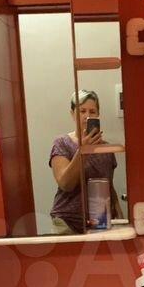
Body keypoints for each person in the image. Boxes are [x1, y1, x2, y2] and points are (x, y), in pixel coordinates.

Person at [49, 89, 123, 234]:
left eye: (92, 111)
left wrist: (120, 216)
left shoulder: (106, 148)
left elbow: (109, 186)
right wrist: (83, 151)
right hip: (67, 222)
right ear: (72, 114)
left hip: (100, 222)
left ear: (98, 114)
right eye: (82, 111)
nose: (87, 116)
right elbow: (65, 184)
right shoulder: (62, 143)